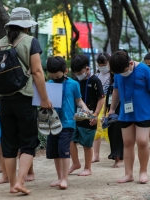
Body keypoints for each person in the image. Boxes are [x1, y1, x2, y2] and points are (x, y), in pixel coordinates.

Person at [0, 7, 52, 194]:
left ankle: (12, 184)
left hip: (3, 99)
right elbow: (37, 72)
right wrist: (44, 99)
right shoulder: (30, 41)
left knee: (9, 143)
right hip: (24, 97)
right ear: (26, 27)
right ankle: (20, 181)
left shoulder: (0, 44)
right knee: (28, 142)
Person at [108, 50, 150, 183]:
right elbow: (116, 90)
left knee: (142, 141)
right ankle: (128, 174)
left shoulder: (144, 70)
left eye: (125, 70)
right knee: (127, 142)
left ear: (131, 63)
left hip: (143, 112)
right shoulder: (118, 72)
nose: (123, 74)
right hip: (125, 113)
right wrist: (111, 109)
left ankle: (143, 171)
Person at [46, 56, 89, 189]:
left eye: (57, 76)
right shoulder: (49, 84)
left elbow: (78, 100)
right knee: (54, 152)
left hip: (67, 122)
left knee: (64, 150)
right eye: (52, 76)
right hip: (52, 122)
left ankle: (65, 179)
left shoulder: (73, 84)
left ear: (65, 71)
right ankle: (59, 177)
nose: (55, 78)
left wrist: (86, 109)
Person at [69, 54, 105, 176]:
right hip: (76, 116)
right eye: (76, 72)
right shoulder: (74, 82)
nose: (78, 74)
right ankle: (75, 163)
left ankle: (88, 168)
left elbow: (101, 99)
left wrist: (95, 115)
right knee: (70, 139)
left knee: (87, 144)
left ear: (87, 68)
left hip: (90, 117)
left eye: (80, 72)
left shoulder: (95, 80)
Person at [103, 71, 124, 168]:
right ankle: (115, 156)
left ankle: (119, 158)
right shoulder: (110, 85)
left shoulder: (123, 84)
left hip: (121, 113)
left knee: (118, 135)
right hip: (111, 113)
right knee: (111, 134)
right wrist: (104, 113)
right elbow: (107, 100)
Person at [92, 53, 111, 163]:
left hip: (109, 104)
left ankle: (115, 153)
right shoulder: (97, 76)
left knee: (110, 130)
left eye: (104, 64)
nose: (102, 66)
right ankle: (96, 155)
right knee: (97, 130)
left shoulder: (113, 76)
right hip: (99, 105)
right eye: (100, 64)